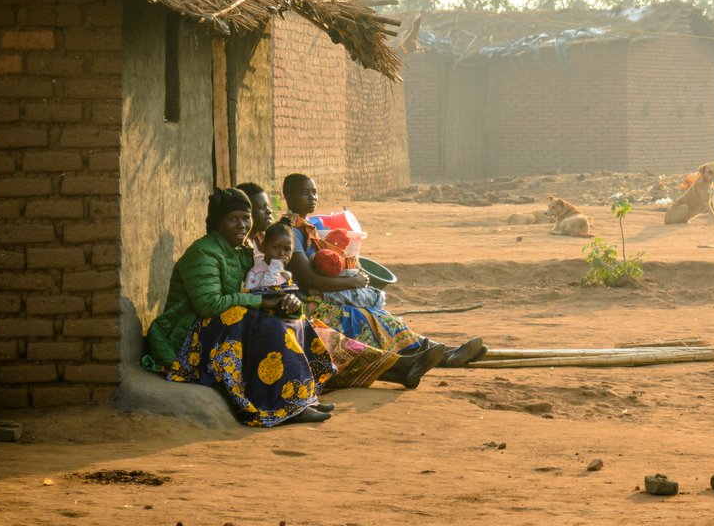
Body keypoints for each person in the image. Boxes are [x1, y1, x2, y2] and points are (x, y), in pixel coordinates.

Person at [143, 187, 333, 426]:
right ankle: (286, 405)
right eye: (232, 219)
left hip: (220, 323)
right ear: (217, 223)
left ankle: (302, 396)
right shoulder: (203, 253)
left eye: (245, 218)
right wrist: (262, 302)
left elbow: (262, 285)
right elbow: (209, 304)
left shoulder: (242, 251)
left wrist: (287, 300)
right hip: (188, 334)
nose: (242, 225)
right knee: (266, 325)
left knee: (291, 318)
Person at [237, 181, 437, 389]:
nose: (269, 211)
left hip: (287, 308)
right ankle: (406, 364)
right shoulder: (271, 240)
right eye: (261, 207)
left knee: (349, 329)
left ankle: (415, 358)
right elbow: (279, 284)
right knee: (338, 335)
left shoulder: (265, 239)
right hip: (279, 312)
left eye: (268, 206)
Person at [278, 172, 486, 371]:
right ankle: (438, 355)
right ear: (288, 196)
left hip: (320, 297)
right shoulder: (289, 231)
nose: (312, 197)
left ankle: (443, 351)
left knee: (378, 315)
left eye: (314, 192)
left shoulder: (305, 227)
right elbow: (308, 278)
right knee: (365, 319)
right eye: (305, 193)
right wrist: (354, 283)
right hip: (305, 304)